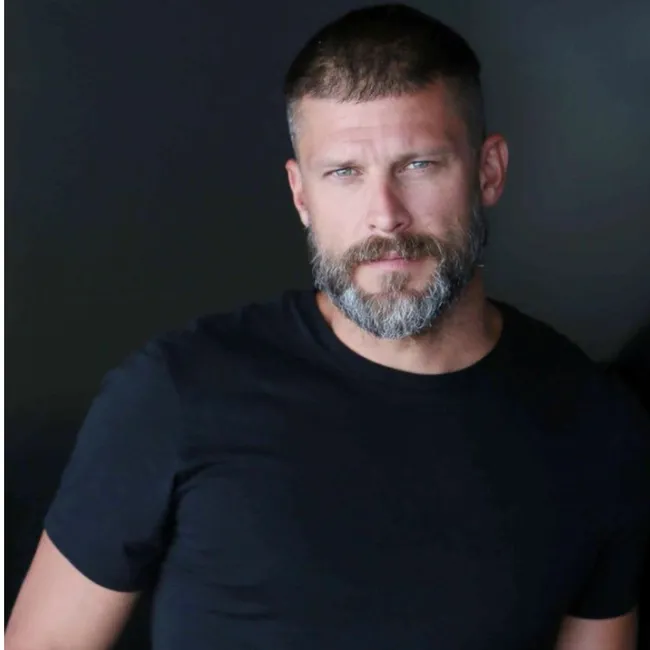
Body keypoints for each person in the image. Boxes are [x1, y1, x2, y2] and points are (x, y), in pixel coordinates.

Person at [6, 4, 650, 649]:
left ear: (489, 172)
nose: (385, 216)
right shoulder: (174, 393)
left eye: (419, 165)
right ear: (301, 194)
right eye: (344, 172)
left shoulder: (596, 424)